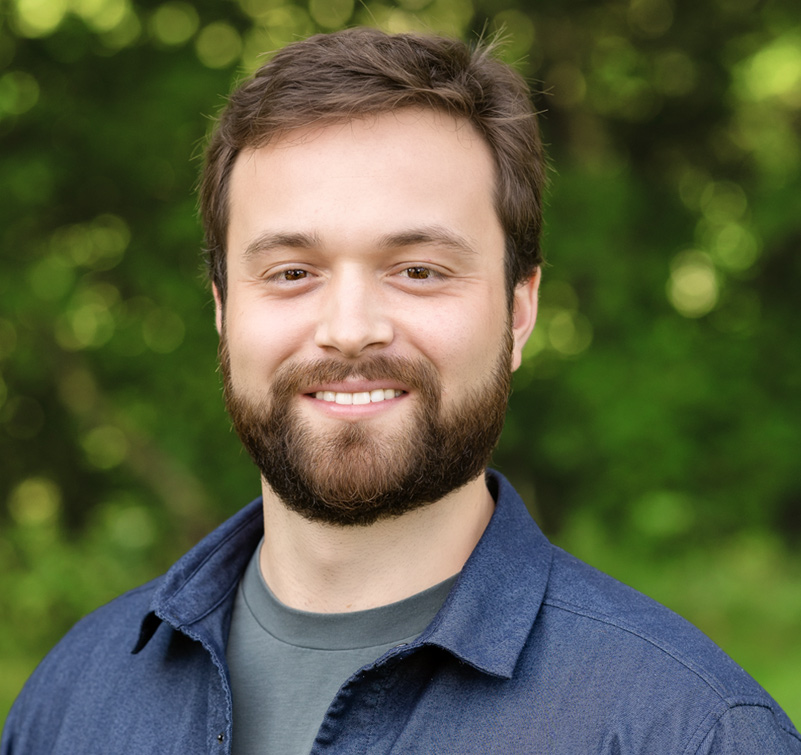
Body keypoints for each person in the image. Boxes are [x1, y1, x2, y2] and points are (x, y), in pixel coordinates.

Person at [2, 27, 799, 755]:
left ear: (518, 312)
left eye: (418, 270)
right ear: (221, 309)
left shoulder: (686, 729)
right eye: (291, 273)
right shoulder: (76, 696)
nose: (349, 329)